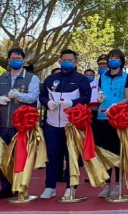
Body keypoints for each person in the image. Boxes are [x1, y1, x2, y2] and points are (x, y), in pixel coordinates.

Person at [38, 49, 92, 199]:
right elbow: (42, 96)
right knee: (53, 156)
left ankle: (70, 186)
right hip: (52, 124)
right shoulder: (51, 79)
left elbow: (87, 97)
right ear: (60, 61)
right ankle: (50, 187)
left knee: (71, 156)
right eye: (64, 59)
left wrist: (72, 103)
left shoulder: (81, 79)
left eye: (70, 60)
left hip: (72, 125)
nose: (66, 62)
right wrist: (48, 103)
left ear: (75, 63)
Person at [0, 48, 40, 199]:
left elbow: (33, 97)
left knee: (20, 157)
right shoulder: (2, 78)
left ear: (24, 60)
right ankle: (5, 188)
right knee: (3, 158)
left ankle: (20, 188)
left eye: (18, 58)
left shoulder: (31, 78)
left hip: (21, 125)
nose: (15, 60)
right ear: (8, 60)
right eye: (12, 58)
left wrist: (18, 95)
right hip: (3, 123)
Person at [93, 49, 128, 198]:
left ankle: (118, 184)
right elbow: (100, 94)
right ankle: (107, 184)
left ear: (121, 61)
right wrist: (100, 99)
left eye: (116, 58)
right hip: (102, 117)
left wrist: (115, 106)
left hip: (118, 117)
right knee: (105, 152)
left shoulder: (126, 76)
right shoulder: (102, 76)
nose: (113, 60)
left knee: (118, 151)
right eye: (111, 58)